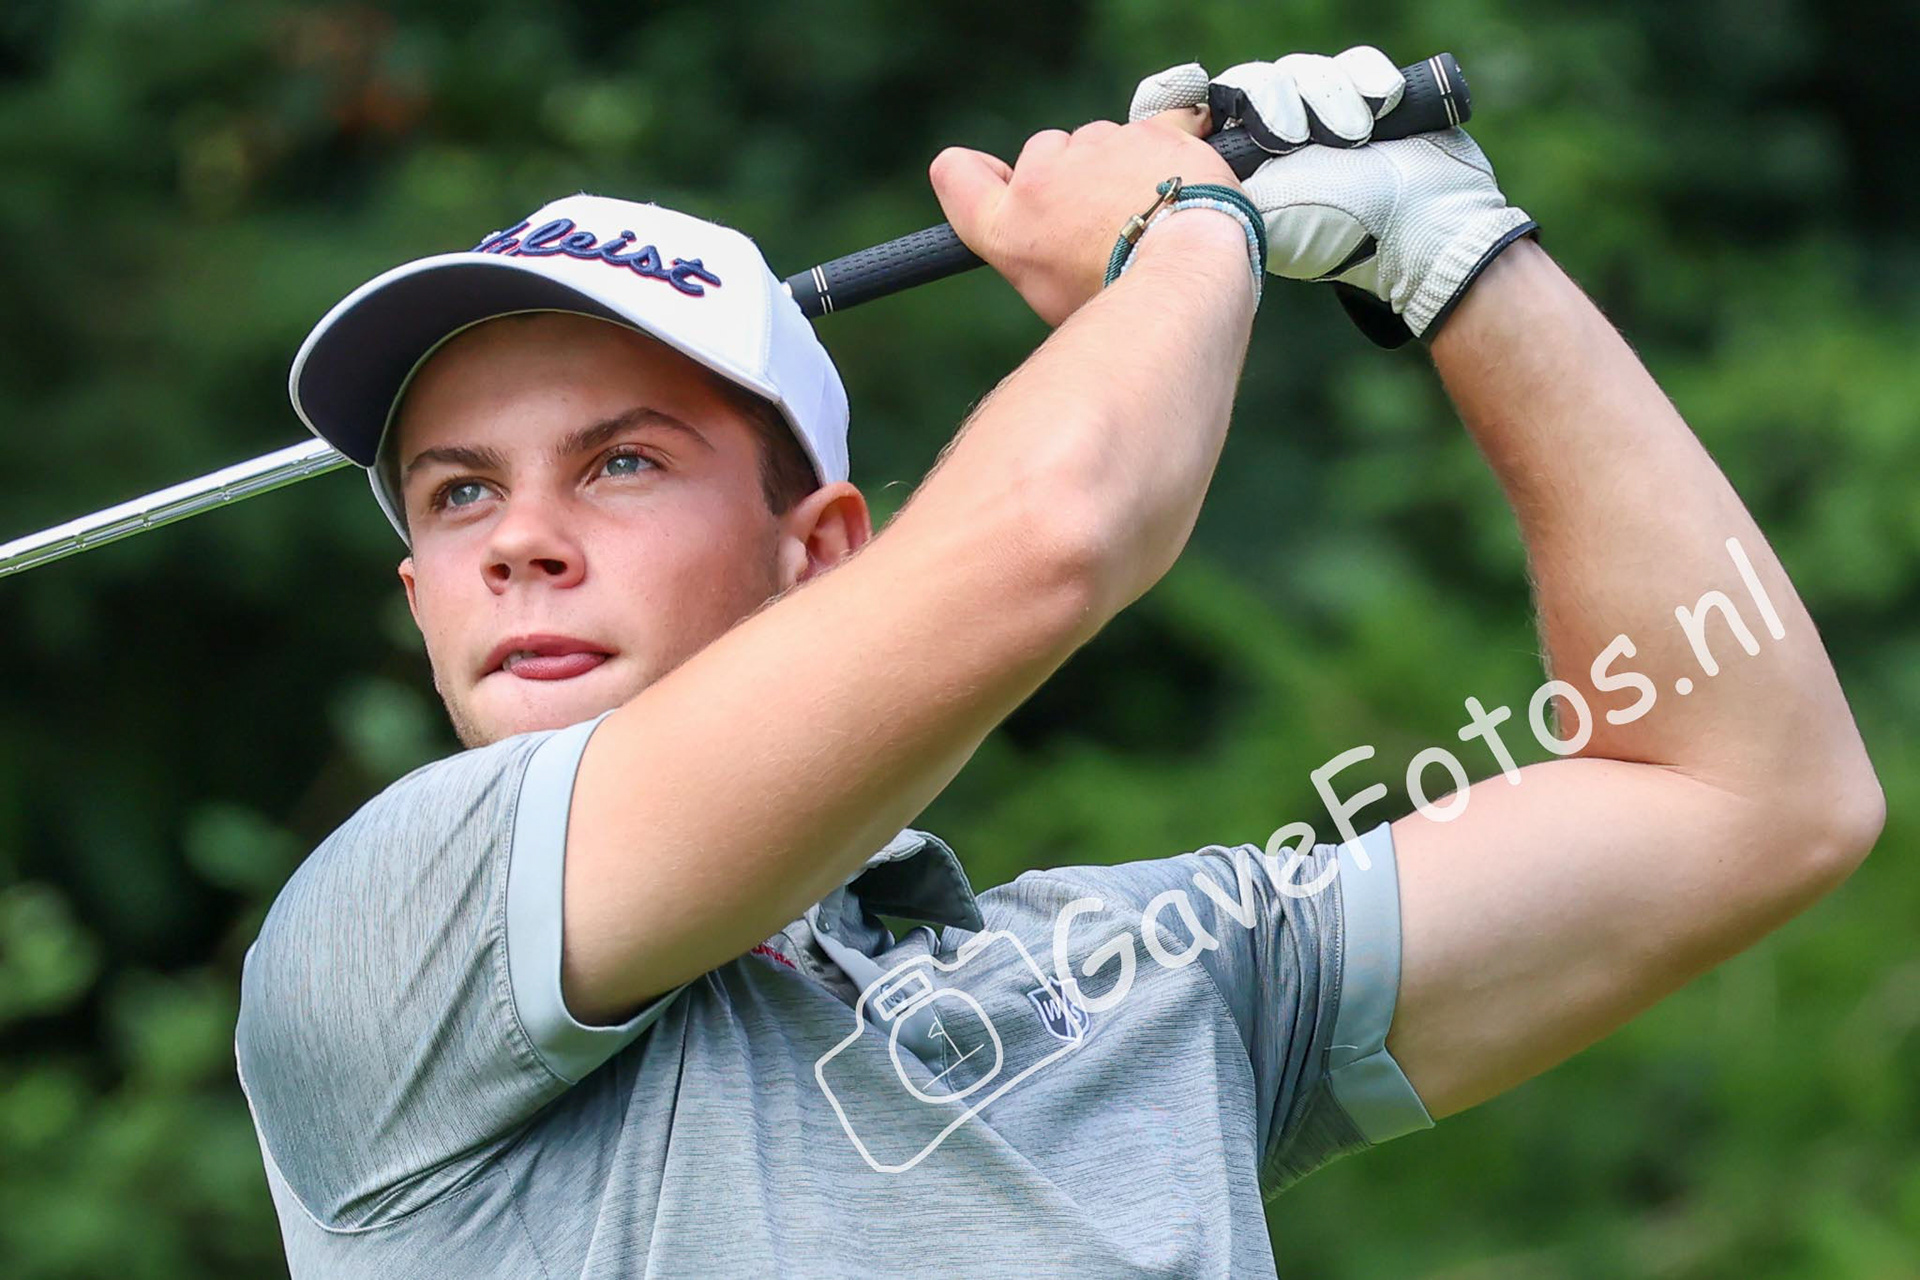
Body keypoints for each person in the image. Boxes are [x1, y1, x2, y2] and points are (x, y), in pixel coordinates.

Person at [234, 47, 1883, 1278]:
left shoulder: (1141, 978)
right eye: (462, 494)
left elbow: (1754, 791)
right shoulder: (389, 940)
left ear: (815, 555)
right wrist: (1186, 231)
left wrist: (1450, 256)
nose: (519, 539)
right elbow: (1054, 539)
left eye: (621, 462)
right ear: (420, 590)